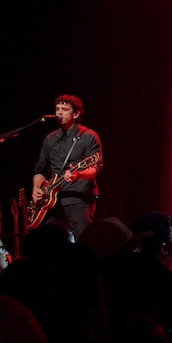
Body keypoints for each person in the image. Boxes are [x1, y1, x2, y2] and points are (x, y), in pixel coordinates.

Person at [31, 94, 103, 239]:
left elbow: (96, 167)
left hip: (78, 198)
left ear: (75, 114)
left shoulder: (88, 136)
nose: (59, 112)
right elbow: (40, 170)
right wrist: (36, 188)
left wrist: (78, 175)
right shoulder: (50, 139)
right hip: (51, 201)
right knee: (46, 242)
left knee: (83, 242)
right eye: (57, 108)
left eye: (64, 109)